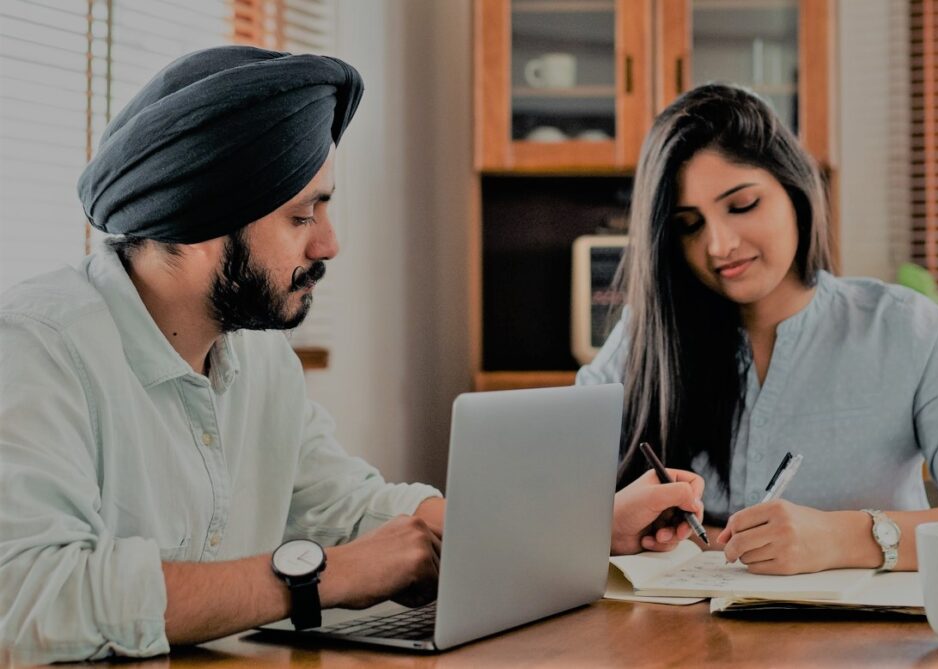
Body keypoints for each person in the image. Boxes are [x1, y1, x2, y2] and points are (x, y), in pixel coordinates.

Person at [0, 46, 701, 664]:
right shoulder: (36, 347)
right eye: (302, 216)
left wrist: (579, 529)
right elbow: (26, 599)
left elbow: (355, 510)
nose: (329, 243)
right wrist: (317, 576)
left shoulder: (258, 360)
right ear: (199, 221)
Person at [578, 83, 938, 576]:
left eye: (742, 204)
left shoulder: (906, 329)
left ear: (794, 189)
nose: (719, 244)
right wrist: (604, 526)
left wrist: (848, 537)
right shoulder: (643, 339)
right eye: (689, 225)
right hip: (675, 646)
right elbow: (533, 501)